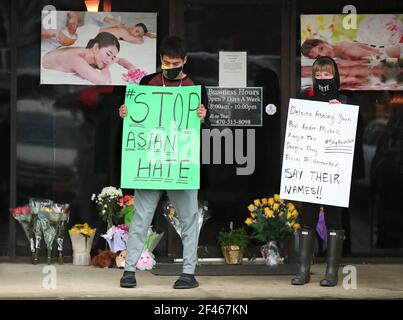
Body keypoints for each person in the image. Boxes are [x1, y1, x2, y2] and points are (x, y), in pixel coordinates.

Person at [118, 36, 208, 289]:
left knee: (189, 217)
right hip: (150, 161)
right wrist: (125, 113)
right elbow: (133, 117)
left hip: (181, 162)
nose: (171, 66)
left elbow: (205, 127)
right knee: (141, 217)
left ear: (185, 61)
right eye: (167, 62)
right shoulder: (147, 83)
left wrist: (203, 117)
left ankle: (188, 273)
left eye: (176, 62)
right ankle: (129, 270)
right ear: (160, 60)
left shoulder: (195, 87)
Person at [292, 56, 363, 287]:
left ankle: (331, 273)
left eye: (327, 74)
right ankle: (303, 271)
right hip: (311, 171)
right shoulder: (304, 100)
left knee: (334, 220)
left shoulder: (347, 102)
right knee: (308, 219)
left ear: (336, 75)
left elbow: (356, 137)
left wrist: (341, 112)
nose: (322, 78)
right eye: (318, 74)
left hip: (334, 174)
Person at [42, 32, 136, 85]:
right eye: (108, 54)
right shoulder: (76, 59)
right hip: (43, 58)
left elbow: (119, 60)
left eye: (112, 57)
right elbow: (105, 82)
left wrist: (132, 68)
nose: (110, 60)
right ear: (95, 48)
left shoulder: (92, 53)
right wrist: (105, 66)